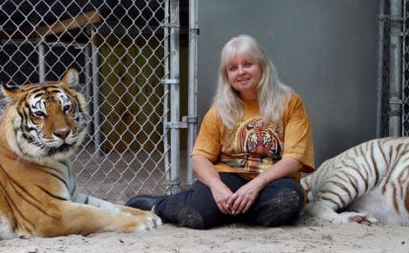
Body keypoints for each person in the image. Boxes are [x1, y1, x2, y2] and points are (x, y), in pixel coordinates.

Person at [126, 34, 314, 229]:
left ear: (262, 66)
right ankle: (160, 204)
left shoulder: (290, 102)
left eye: (247, 64)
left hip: (272, 181)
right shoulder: (219, 109)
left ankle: (222, 211)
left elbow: (295, 159)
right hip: (228, 177)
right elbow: (200, 157)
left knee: (286, 201)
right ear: (227, 75)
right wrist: (217, 188)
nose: (240, 72)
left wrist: (255, 186)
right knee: (197, 216)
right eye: (233, 68)